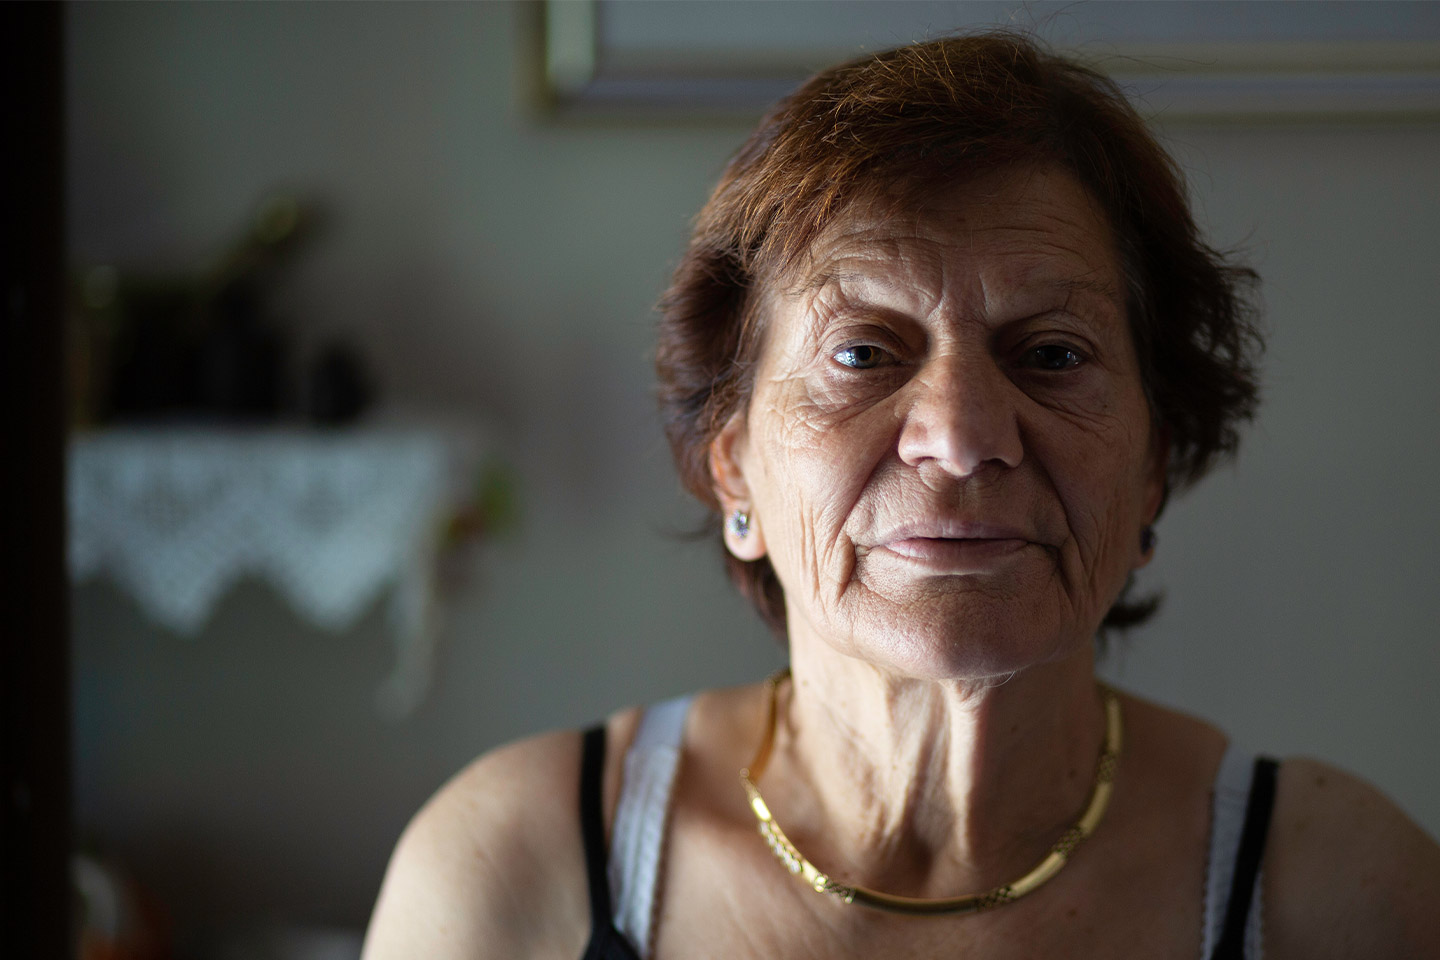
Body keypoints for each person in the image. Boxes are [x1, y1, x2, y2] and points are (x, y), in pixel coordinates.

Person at [361, 32, 1440, 960]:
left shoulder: (1339, 898)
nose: (964, 439)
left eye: (1054, 354)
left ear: (1154, 462)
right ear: (733, 464)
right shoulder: (514, 876)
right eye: (867, 352)